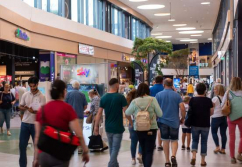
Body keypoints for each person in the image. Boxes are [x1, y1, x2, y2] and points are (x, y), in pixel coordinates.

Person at [33, 80, 89, 167]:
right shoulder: (68, 109)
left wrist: (36, 158)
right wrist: (85, 151)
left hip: (43, 154)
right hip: (60, 154)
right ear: (63, 92)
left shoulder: (42, 110)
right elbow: (79, 134)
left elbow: (37, 137)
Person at [94, 78, 132, 167]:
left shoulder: (103, 98)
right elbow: (126, 112)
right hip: (118, 127)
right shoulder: (120, 97)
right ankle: (111, 164)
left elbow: (99, 113)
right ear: (116, 85)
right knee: (115, 148)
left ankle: (115, 164)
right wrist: (131, 121)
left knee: (112, 148)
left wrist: (96, 126)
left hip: (108, 127)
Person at [126, 83, 163, 167]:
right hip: (151, 128)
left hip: (139, 128)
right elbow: (160, 114)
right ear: (148, 90)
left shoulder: (135, 101)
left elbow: (127, 112)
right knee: (149, 151)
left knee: (143, 147)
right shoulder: (152, 100)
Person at [156, 78, 186, 167]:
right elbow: (183, 108)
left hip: (162, 121)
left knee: (165, 141)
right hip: (174, 121)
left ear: (164, 85)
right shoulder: (177, 95)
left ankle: (167, 161)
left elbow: (155, 109)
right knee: (174, 140)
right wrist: (182, 118)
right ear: (172, 85)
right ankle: (173, 155)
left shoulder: (158, 95)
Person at [19, 77, 46, 167]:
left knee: (37, 147)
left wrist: (35, 112)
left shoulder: (42, 96)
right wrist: (26, 108)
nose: (32, 88)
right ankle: (23, 165)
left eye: (34, 86)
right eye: (30, 86)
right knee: (22, 146)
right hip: (25, 123)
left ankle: (35, 164)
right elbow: (20, 106)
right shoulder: (25, 94)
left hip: (36, 125)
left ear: (37, 84)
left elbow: (43, 112)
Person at [188, 83, 214, 166]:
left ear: (196, 90)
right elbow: (211, 113)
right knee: (204, 142)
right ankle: (202, 161)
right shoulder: (208, 100)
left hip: (195, 124)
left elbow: (189, 112)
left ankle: (193, 156)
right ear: (205, 90)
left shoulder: (192, 100)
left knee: (195, 140)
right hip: (205, 124)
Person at [221, 77, 242, 164]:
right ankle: (239, 153)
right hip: (241, 117)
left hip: (231, 117)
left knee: (232, 137)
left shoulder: (228, 93)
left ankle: (232, 157)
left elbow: (222, 104)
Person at [65, 81, 88, 154]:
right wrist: (81, 110)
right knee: (79, 133)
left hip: (70, 117)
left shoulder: (68, 94)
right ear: (79, 87)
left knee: (69, 133)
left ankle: (69, 148)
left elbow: (65, 105)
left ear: (72, 86)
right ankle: (80, 149)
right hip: (79, 116)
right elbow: (85, 106)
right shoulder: (82, 94)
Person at [125, 89, 142, 165]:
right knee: (141, 140)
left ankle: (133, 159)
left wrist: (131, 122)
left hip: (132, 124)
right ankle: (140, 154)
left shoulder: (129, 102)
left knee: (133, 142)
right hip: (141, 123)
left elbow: (127, 114)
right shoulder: (139, 102)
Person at [211, 85, 227, 154]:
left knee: (214, 132)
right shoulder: (225, 98)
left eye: (215, 89)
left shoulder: (215, 98)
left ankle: (217, 147)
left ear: (218, 90)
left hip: (215, 117)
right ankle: (223, 149)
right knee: (223, 133)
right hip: (224, 117)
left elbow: (211, 107)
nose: (214, 91)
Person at [150, 76, 164, 151]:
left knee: (152, 127)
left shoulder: (151, 89)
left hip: (152, 110)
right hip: (162, 110)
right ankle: (160, 145)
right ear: (162, 81)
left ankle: (153, 144)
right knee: (160, 128)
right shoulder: (164, 88)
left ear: (155, 81)